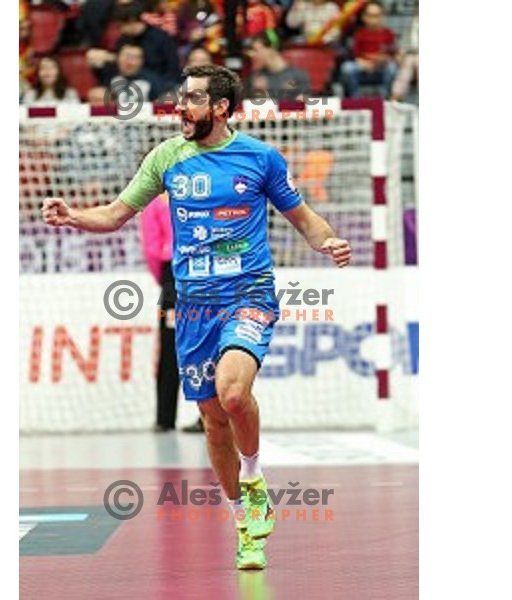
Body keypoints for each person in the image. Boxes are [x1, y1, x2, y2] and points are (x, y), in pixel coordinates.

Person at [42, 64, 351, 570]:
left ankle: (253, 478)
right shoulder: (166, 158)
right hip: (194, 304)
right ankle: (244, 524)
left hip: (248, 292)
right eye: (181, 97)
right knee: (212, 419)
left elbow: (304, 218)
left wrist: (328, 240)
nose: (181, 107)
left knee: (233, 392)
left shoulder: (260, 158)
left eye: (193, 99)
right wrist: (74, 215)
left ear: (222, 108)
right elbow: (117, 214)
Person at [140, 194, 204, 434]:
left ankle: (164, 418)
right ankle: (209, 416)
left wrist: (165, 282)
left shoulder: (155, 202)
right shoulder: (197, 194)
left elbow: (151, 248)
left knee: (170, 346)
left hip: (173, 276)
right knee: (207, 340)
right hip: (203, 270)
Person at [339, 0, 398, 98]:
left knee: (392, 68)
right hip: (363, 69)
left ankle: (385, 100)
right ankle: (355, 101)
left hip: (381, 69)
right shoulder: (358, 33)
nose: (373, 19)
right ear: (364, 17)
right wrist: (362, 63)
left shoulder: (388, 33)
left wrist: (383, 60)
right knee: (347, 68)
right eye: (370, 15)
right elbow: (355, 55)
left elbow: (393, 55)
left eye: (376, 16)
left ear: (382, 16)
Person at [89, 42, 166, 104]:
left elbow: (165, 97)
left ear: (142, 61)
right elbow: (92, 56)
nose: (131, 62)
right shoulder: (109, 75)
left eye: (136, 57)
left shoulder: (152, 80)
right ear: (118, 58)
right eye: (127, 56)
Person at [245, 31, 311, 100]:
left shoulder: (298, 76)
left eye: (256, 50)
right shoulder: (255, 79)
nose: (252, 55)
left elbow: (306, 105)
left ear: (271, 48)